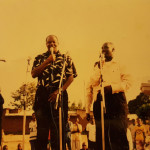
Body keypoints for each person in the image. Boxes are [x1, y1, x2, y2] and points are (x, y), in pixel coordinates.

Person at [31, 35, 77, 150]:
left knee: (58, 129)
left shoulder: (66, 58)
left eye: (54, 42)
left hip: (59, 94)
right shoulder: (39, 57)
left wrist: (59, 91)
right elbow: (33, 73)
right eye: (49, 42)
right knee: (42, 130)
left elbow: (70, 77)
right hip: (42, 95)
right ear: (46, 44)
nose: (51, 44)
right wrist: (47, 61)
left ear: (58, 43)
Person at [86, 42, 132, 150]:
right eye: (102, 49)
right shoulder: (98, 65)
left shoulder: (120, 64)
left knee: (119, 133)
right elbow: (92, 82)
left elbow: (128, 83)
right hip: (100, 100)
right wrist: (99, 67)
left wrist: (112, 88)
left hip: (116, 99)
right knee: (102, 135)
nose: (104, 51)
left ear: (113, 50)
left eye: (106, 48)